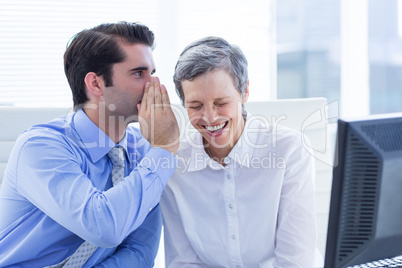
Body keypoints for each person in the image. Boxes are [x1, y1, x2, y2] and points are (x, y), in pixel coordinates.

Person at [0, 21, 179, 267]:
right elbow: (102, 225)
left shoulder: (145, 152)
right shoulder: (40, 147)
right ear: (95, 84)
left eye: (153, 73)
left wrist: (159, 151)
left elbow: (140, 251)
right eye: (139, 73)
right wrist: (164, 149)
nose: (155, 86)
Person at [160, 36, 317, 267]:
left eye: (221, 102)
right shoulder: (174, 165)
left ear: (244, 92)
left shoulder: (289, 150)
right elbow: (183, 261)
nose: (210, 117)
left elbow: (295, 260)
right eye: (195, 106)